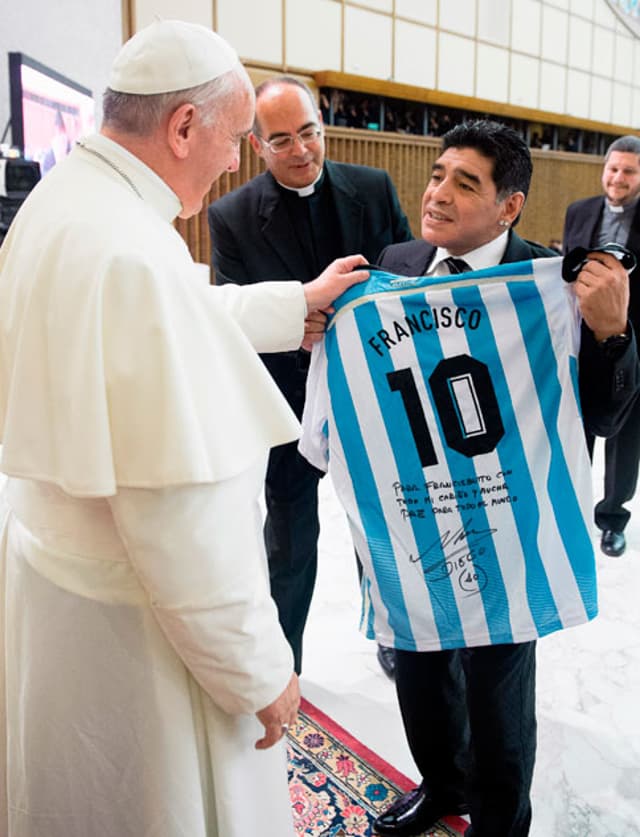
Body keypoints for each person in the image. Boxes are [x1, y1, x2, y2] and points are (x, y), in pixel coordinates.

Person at [0, 20, 369, 837]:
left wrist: (289, 303)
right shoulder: (129, 248)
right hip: (139, 629)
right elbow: (183, 521)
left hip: (63, 583)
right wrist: (260, 671)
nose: (238, 159)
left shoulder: (70, 201)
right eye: (236, 137)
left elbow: (169, 315)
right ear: (182, 127)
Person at [337, 120, 638, 837]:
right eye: (438, 174)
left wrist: (612, 333)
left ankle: (502, 822)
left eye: (463, 182)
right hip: (417, 511)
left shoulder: (556, 279)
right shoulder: (398, 260)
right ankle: (443, 784)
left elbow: (606, 411)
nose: (437, 193)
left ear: (510, 206)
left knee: (500, 690)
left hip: (510, 513)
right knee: (417, 664)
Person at [207, 75, 412, 677]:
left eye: (309, 134)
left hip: (371, 394)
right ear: (256, 145)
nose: (300, 151)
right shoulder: (232, 216)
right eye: (282, 141)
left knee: (379, 527)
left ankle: (397, 637)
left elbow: (405, 275)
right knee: (290, 538)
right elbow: (234, 314)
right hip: (288, 400)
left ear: (322, 128)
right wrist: (291, 321)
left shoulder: (371, 190)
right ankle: (284, 658)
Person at [563, 135, 640, 558]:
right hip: (580, 340)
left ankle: (612, 519)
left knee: (625, 439)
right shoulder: (579, 211)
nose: (618, 177)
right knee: (576, 432)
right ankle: (571, 509)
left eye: (628, 170)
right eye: (613, 168)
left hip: (633, 344)